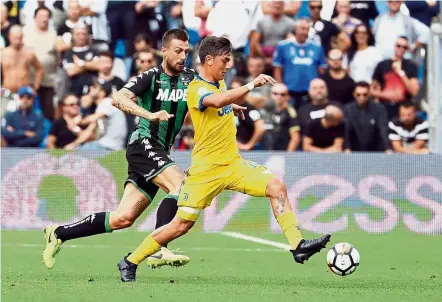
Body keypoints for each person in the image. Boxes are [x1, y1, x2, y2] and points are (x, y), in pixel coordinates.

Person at [117, 36, 331, 282]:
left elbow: (220, 103)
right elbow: (215, 101)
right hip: (206, 172)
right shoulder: (196, 87)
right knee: (180, 226)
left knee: (276, 186)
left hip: (233, 165)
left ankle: (298, 245)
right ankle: (130, 261)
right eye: (225, 60)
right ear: (209, 60)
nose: (229, 65)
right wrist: (251, 85)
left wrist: (233, 108)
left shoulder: (219, 84)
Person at [42, 29, 196, 271]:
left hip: (160, 151)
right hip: (144, 144)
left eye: (186, 52)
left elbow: (208, 99)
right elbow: (118, 98)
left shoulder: (190, 78)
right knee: (181, 186)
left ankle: (58, 233)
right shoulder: (151, 76)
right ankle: (161, 248)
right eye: (178, 51)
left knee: (122, 218)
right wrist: (150, 115)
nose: (183, 56)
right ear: (164, 51)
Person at [344, 82, 391, 152]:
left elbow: (383, 129)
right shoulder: (348, 109)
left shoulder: (379, 108)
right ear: (354, 94)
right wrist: (347, 148)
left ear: (369, 94)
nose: (361, 97)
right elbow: (346, 130)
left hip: (375, 150)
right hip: (354, 150)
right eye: (358, 95)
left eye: (365, 94)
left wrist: (388, 148)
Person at [1, 25, 44, 94]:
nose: (17, 41)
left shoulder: (29, 53)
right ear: (9, 37)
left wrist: (35, 87)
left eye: (20, 38)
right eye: (15, 38)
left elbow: (40, 69)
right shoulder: (3, 53)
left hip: (24, 93)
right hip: (6, 91)